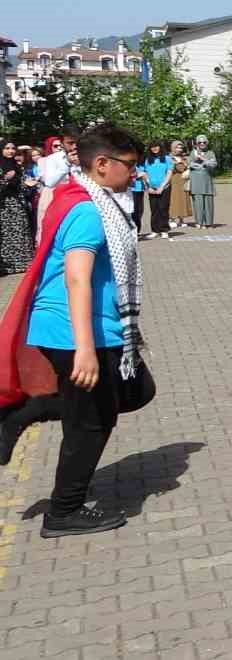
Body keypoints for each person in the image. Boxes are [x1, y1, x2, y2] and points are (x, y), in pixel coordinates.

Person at [7, 125, 145, 537]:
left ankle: (18, 415)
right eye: (130, 165)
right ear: (101, 164)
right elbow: (77, 279)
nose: (135, 174)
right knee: (91, 423)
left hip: (93, 326)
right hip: (75, 329)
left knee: (137, 389)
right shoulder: (88, 209)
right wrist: (85, 348)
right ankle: (64, 510)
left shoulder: (89, 197)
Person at [0, 142, 35, 274]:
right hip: (4, 206)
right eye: (7, 148)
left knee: (21, 232)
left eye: (13, 148)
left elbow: (21, 186)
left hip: (18, 204)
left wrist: (28, 184)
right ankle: (8, 266)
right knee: (7, 236)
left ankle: (22, 264)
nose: (11, 151)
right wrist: (6, 179)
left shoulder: (16, 166)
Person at [140, 144, 173, 241]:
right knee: (154, 210)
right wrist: (148, 187)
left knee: (163, 208)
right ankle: (155, 230)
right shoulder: (147, 160)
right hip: (151, 188)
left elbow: (169, 173)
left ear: (160, 147)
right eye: (152, 146)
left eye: (156, 146)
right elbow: (144, 174)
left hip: (164, 187)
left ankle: (164, 230)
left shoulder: (167, 158)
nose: (154, 148)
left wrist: (162, 187)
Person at [187, 135, 218, 228]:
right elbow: (189, 164)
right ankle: (199, 222)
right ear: (197, 143)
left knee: (208, 202)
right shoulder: (193, 153)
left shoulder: (210, 153)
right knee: (198, 203)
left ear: (207, 143)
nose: (202, 144)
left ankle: (208, 222)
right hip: (196, 181)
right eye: (200, 142)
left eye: (204, 142)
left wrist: (204, 160)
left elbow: (214, 164)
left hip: (207, 181)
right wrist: (196, 160)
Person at [167, 141, 192, 228]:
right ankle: (171, 219)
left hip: (183, 180)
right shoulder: (168, 158)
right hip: (173, 180)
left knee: (183, 199)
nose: (179, 149)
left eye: (181, 148)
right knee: (173, 199)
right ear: (173, 148)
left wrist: (187, 168)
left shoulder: (184, 158)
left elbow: (188, 167)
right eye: (177, 147)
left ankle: (181, 219)